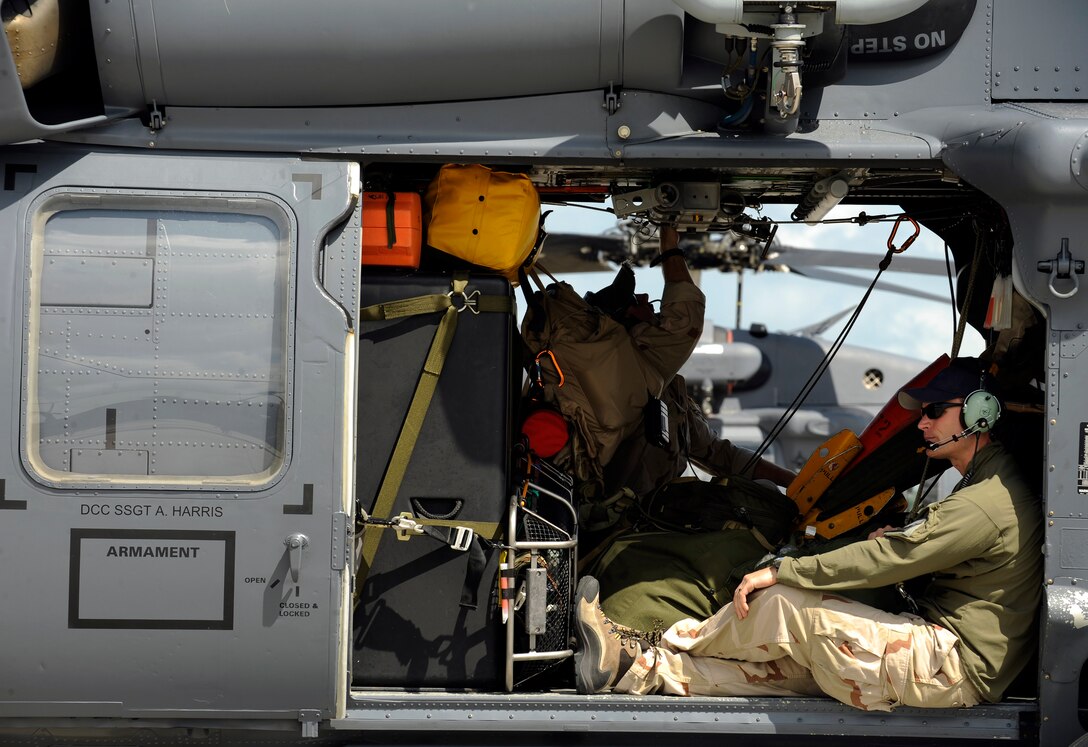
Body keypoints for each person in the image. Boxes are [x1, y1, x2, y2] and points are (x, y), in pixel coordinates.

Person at [574, 357, 1043, 711]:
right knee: (770, 671)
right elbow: (926, 546)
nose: (922, 422)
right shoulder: (986, 484)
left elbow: (896, 558)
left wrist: (784, 568)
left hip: (950, 665)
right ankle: (631, 669)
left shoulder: (986, 500)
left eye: (935, 410)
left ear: (981, 413)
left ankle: (643, 643)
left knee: (783, 603)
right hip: (942, 658)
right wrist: (899, 533)